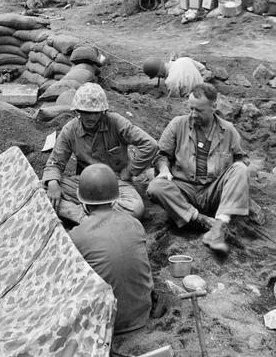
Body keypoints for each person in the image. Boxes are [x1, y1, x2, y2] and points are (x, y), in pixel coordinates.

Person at [147, 83, 249, 254]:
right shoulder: (178, 124)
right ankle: (202, 220)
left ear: (213, 107)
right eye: (191, 109)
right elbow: (161, 155)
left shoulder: (229, 130)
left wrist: (235, 184)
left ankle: (219, 224)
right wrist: (164, 170)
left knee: (240, 169)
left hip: (212, 191)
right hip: (183, 190)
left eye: (199, 110)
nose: (193, 114)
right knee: (156, 187)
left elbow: (242, 159)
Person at [42, 82, 158, 223]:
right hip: (84, 183)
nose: (90, 118)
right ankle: (83, 216)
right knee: (40, 189)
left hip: (116, 183)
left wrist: (130, 170)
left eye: (95, 113)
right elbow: (55, 162)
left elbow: (150, 145)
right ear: (77, 112)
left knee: (135, 208)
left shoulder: (115, 122)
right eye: (85, 112)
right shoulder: (70, 130)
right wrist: (53, 183)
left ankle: (85, 215)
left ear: (103, 112)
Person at [69, 163, 153, 334]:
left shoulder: (76, 236)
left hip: (105, 323)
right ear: (115, 199)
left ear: (83, 202)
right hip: (142, 314)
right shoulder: (135, 223)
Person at [143, 56, 208, 97]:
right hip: (206, 92)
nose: (159, 78)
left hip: (194, 100)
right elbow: (203, 69)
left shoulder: (171, 81)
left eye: (157, 76)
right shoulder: (183, 59)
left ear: (159, 73)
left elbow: (175, 101)